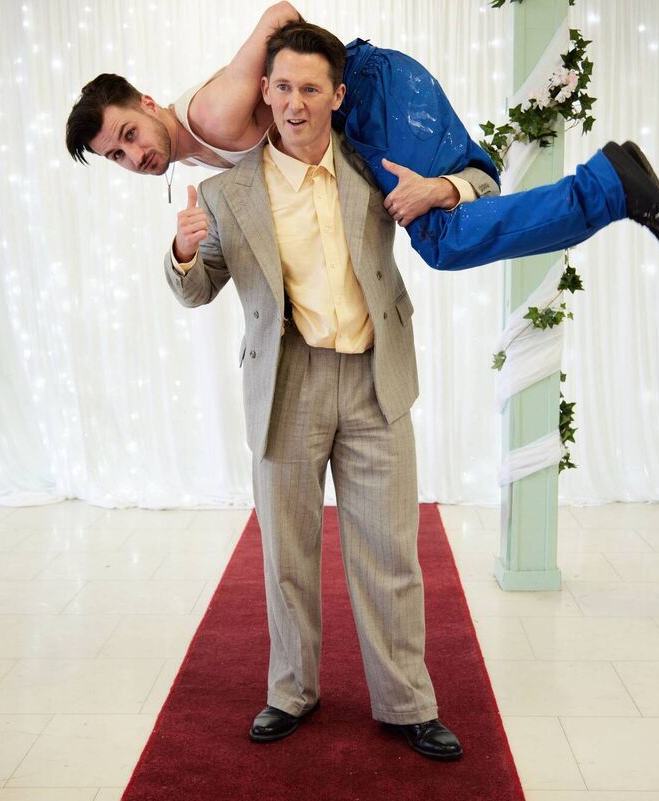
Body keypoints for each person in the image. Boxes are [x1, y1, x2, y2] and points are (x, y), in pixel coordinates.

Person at [162, 20, 470, 760]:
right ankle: (291, 690)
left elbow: (480, 182)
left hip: (373, 379)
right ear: (263, 93)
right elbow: (199, 288)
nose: (294, 103)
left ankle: (406, 702)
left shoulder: (374, 164)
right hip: (285, 384)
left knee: (391, 551)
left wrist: (442, 186)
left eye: (309, 88)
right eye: (282, 88)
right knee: (287, 554)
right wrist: (180, 251)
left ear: (336, 95)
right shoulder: (228, 192)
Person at [65, 2, 659, 271]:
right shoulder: (199, 147)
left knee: (442, 241)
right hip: (368, 99)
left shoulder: (213, 115)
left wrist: (322, 79)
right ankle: (611, 184)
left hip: (371, 92)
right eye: (116, 155)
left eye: (129, 133)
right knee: (465, 198)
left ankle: (610, 187)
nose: (135, 155)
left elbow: (280, 14)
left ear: (148, 103)